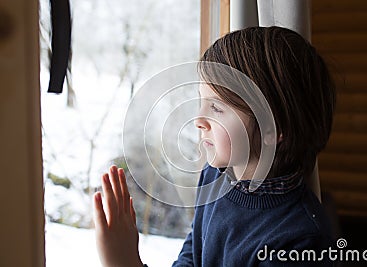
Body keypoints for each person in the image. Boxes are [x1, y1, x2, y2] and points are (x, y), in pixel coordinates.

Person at [93, 26, 336, 266]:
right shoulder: (214, 178)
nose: (198, 120)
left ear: (272, 129)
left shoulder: (301, 243)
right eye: (202, 101)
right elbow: (193, 254)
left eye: (217, 108)